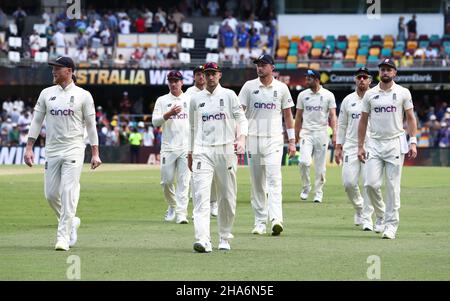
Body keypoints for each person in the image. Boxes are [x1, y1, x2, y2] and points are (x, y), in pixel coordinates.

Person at [23, 56, 101, 251]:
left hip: (74, 148)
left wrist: (95, 152)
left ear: (69, 71)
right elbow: (36, 121)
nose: (53, 72)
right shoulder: (46, 93)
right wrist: (29, 147)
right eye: (53, 68)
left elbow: (91, 126)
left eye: (57, 68)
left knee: (67, 192)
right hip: (52, 150)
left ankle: (63, 237)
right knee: (50, 194)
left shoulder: (84, 95)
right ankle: (71, 221)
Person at [188, 62, 248, 252]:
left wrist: (241, 139)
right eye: (207, 74)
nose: (210, 77)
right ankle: (203, 239)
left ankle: (224, 236)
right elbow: (191, 128)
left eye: (213, 73)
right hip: (202, 151)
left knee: (227, 197)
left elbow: (241, 119)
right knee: (200, 196)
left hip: (225, 150)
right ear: (203, 76)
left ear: (219, 75)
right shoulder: (196, 99)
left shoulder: (229, 95)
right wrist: (190, 152)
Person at [358, 58, 418, 239]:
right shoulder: (370, 94)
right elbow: (363, 121)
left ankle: (391, 225)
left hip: (394, 142)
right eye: (382, 69)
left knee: (392, 186)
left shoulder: (403, 92)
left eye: (388, 69)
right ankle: (382, 215)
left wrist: (413, 141)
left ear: (394, 73)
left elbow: (410, 118)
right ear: (379, 72)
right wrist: (360, 146)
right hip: (374, 143)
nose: (385, 72)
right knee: (370, 184)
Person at [238, 54, 296, 236]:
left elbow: (288, 116)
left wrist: (292, 141)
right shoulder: (249, 87)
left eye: (263, 64)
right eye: (258, 65)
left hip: (274, 139)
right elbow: (240, 113)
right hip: (253, 139)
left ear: (272, 67)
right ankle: (259, 222)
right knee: (257, 183)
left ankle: (276, 220)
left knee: (274, 180)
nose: (259, 67)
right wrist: (239, 137)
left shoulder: (282, 88)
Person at [335, 67, 384, 232]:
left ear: (370, 80)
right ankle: (359, 207)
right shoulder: (348, 100)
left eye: (365, 77)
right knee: (348, 182)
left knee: (369, 184)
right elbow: (341, 124)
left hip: (372, 145)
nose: (362, 80)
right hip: (350, 144)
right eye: (359, 77)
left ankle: (368, 218)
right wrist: (338, 146)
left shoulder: (376, 97)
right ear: (355, 80)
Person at [152, 71, 191, 224]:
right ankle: (172, 205)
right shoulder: (162, 100)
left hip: (186, 147)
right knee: (167, 181)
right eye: (171, 81)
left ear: (182, 82)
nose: (173, 84)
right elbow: (155, 122)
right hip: (168, 147)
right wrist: (168, 114)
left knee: (184, 181)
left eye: (176, 81)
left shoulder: (189, 99)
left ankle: (182, 214)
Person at [294, 69, 337, 203]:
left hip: (322, 133)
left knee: (320, 166)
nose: (306, 80)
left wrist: (334, 134)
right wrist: (295, 136)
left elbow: (333, 116)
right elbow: (298, 116)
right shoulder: (302, 95)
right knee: (304, 161)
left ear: (317, 80)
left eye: (309, 78)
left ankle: (318, 192)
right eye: (306, 78)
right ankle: (306, 187)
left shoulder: (328, 95)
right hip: (306, 133)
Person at [185, 65, 219, 218]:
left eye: (202, 74)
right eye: (198, 74)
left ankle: (213, 203)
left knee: (214, 176)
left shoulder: (214, 92)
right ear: (194, 77)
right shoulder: (189, 94)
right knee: (196, 175)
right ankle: (199, 208)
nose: (201, 77)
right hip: (196, 138)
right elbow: (190, 121)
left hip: (213, 139)